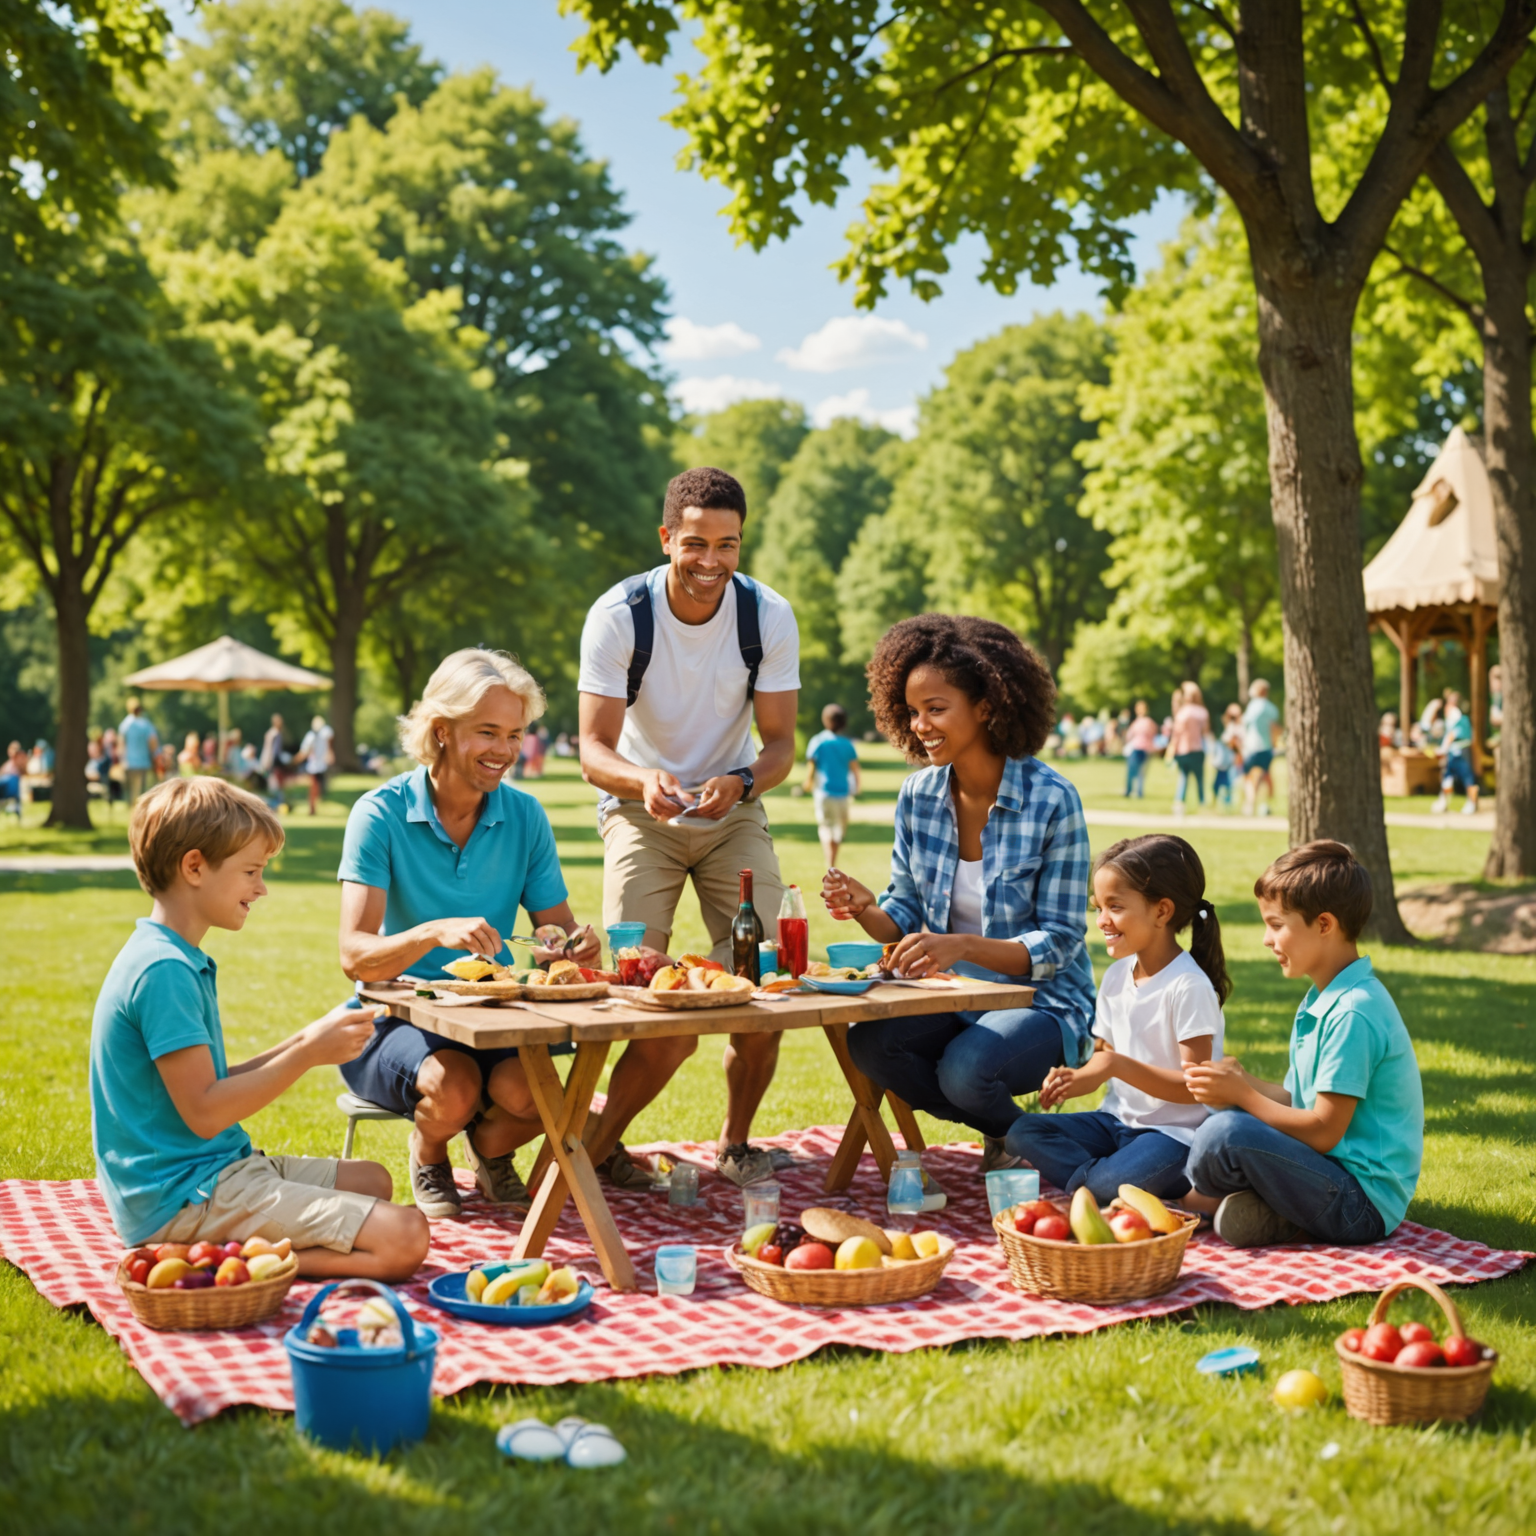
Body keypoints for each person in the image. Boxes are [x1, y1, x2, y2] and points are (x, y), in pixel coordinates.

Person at [91, 776, 428, 1278]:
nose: (262, 887)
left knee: (374, 1181)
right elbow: (206, 1112)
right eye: (251, 870)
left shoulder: (172, 956)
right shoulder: (163, 972)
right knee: (406, 1237)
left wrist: (311, 1035)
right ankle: (220, 1258)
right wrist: (308, 1054)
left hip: (214, 1171)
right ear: (194, 867)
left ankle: (229, 1243)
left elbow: (210, 1083)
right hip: (184, 1198)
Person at [578, 465, 801, 1189]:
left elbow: (778, 749)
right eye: (696, 543)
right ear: (667, 537)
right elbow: (591, 749)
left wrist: (738, 783)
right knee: (642, 989)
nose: (711, 562)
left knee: (766, 978)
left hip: (730, 811)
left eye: (728, 545)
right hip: (641, 811)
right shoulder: (620, 614)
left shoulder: (767, 616)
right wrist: (645, 781)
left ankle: (737, 1145)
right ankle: (597, 1145)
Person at [822, 614, 1096, 1185]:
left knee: (966, 1070)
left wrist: (962, 946)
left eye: (936, 708)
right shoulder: (918, 796)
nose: (920, 725)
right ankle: (1010, 1132)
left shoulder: (1051, 799)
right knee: (869, 1044)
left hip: (1042, 1005)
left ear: (987, 707)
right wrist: (867, 908)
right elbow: (902, 916)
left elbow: (1061, 943)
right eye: (913, 711)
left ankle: (1024, 1137)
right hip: (952, 999)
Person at [338, 648, 609, 1219]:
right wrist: (433, 931)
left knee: (547, 1101)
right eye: (487, 732)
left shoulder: (525, 815)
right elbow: (356, 956)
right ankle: (431, 1149)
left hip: (494, 1014)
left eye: (514, 734)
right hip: (397, 1019)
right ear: (441, 732)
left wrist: (574, 942)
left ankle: (485, 1151)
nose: (505, 751)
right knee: (454, 1086)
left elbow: (554, 928)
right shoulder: (379, 814)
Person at [1183, 841, 1423, 1247]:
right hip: (1327, 1174)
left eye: (1277, 925)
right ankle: (1279, 1213)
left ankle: (1209, 1206)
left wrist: (1242, 1095)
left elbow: (1324, 1130)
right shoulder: (1321, 998)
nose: (1265, 939)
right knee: (1219, 1120)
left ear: (1324, 924)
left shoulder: (1353, 1013)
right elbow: (1296, 1100)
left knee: (1225, 1133)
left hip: (1360, 1205)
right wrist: (1243, 1082)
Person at [1006, 835, 1227, 1201]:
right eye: (1098, 908)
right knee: (1021, 1132)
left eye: (1115, 907)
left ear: (1162, 911)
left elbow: (1195, 1089)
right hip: (1114, 1123)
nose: (1102, 921)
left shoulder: (1188, 986)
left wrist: (1114, 1065)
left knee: (1106, 1184)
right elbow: (1104, 1054)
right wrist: (1078, 1077)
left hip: (1174, 1138)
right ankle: (1111, 1188)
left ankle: (1105, 1188)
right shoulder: (1115, 976)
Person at [803, 702, 861, 866]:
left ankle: (831, 864)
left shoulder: (818, 741)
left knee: (827, 828)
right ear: (844, 723)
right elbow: (855, 769)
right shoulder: (847, 745)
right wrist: (857, 788)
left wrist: (807, 784)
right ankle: (831, 864)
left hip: (823, 793)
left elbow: (812, 766)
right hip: (842, 794)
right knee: (837, 831)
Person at [1432, 689, 1479, 815]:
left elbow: (1452, 735)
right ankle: (1444, 801)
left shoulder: (1459, 718)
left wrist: (1443, 749)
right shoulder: (1458, 719)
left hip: (1461, 751)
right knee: (1448, 777)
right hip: (1454, 752)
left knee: (1467, 778)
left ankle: (1472, 803)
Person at [1240, 679, 1282, 817]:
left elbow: (1244, 724)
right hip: (1267, 746)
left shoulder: (1253, 706)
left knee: (1248, 776)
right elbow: (1274, 728)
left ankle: (1250, 804)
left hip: (1252, 746)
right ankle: (1265, 805)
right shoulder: (1271, 708)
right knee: (1265, 775)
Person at [1169, 682, 1209, 812]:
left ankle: (1180, 802)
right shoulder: (1202, 712)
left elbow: (1177, 732)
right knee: (1200, 779)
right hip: (1198, 749)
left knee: (1183, 777)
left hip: (1183, 750)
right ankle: (1202, 802)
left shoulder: (1182, 713)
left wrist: (1172, 749)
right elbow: (1206, 732)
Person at [117, 698, 159, 806]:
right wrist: (156, 756)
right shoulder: (146, 724)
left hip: (129, 763)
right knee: (142, 793)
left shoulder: (125, 724)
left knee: (131, 793)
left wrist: (122, 760)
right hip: (144, 763)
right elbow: (153, 743)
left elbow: (121, 745)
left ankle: (132, 815)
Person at [298, 714, 334, 816]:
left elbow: (304, 752)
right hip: (319, 765)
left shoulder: (312, 736)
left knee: (314, 788)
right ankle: (313, 808)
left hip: (315, 765)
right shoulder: (323, 733)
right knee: (316, 788)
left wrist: (294, 762)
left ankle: (312, 808)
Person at [1211, 702, 1243, 809]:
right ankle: (1224, 803)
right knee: (1224, 783)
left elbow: (1234, 743)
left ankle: (1227, 804)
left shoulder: (1235, 728)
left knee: (1228, 783)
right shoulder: (1232, 727)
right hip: (1225, 760)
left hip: (1229, 760)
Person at [1123, 700, 1156, 798]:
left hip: (1137, 748)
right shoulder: (1150, 723)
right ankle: (1139, 792)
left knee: (1131, 771)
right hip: (1146, 749)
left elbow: (1129, 736)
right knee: (1141, 772)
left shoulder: (1136, 723)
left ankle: (1129, 791)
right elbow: (1153, 735)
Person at [259, 713, 288, 812]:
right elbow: (272, 751)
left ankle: (275, 804)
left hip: (267, 763)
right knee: (274, 784)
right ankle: (275, 805)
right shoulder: (275, 734)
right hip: (270, 763)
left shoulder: (271, 733)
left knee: (272, 784)